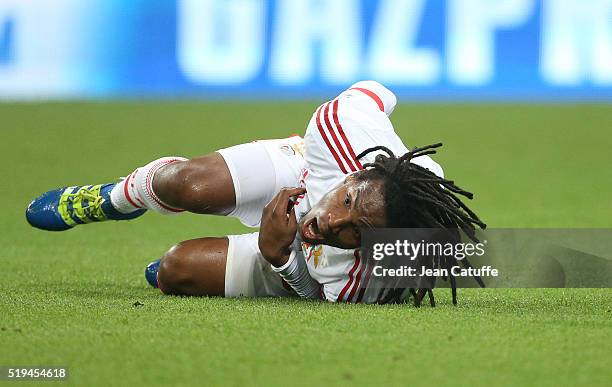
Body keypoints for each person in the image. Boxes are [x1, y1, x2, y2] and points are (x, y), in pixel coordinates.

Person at [25, 81, 485, 305]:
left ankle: (198, 263)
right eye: (346, 205)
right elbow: (374, 93)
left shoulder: (370, 277)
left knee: (173, 270)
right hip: (305, 169)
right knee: (188, 185)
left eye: (354, 234)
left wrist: (281, 257)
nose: (331, 224)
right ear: (353, 177)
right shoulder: (339, 133)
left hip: (295, 258)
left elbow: (316, 291)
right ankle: (118, 198)